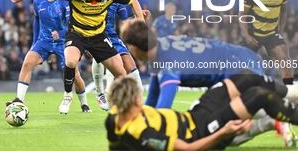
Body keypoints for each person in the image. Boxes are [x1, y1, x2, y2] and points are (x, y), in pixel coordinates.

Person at [120, 20, 298, 147]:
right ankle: (277, 114)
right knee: (279, 94)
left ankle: (274, 118)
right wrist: (140, 116)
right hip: (243, 58)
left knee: (216, 132)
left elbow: (163, 111)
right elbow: (153, 97)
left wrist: (143, 132)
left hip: (239, 69)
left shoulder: (167, 64)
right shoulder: (161, 46)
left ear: (134, 48)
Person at [6, 0, 145, 114]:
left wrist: (141, 22)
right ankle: (67, 95)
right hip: (77, 34)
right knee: (71, 61)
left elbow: (133, 2)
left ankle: (126, 106)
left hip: (98, 36)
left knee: (121, 73)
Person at [106, 74, 298, 151]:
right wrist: (224, 132)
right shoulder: (144, 135)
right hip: (202, 132)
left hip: (194, 116)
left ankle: (293, 93)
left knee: (245, 79)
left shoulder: (114, 117)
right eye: (139, 98)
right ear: (134, 101)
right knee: (258, 96)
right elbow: (189, 149)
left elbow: (114, 145)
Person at [6, 0, 91, 113]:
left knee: (74, 74)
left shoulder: (66, 1)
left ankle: (84, 104)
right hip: (43, 41)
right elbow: (37, 22)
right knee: (27, 63)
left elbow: (72, 23)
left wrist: (62, 33)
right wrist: (34, 43)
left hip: (63, 42)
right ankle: (19, 99)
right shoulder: (38, 1)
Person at [91, 0, 144, 111]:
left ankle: (139, 99)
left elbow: (124, 18)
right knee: (108, 61)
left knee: (128, 64)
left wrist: (137, 18)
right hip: (92, 33)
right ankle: (101, 93)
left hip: (111, 34)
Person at [239, 0, 293, 84]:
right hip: (253, 35)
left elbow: (283, 11)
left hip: (271, 34)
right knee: (239, 67)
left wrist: (281, 29)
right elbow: (242, 14)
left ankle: (290, 94)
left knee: (286, 62)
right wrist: (246, 35)